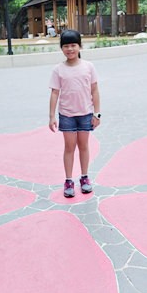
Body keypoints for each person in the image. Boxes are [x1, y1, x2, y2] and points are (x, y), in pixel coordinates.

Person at [48, 29, 101, 198]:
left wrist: (97, 114)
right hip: (67, 115)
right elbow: (55, 92)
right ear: (61, 48)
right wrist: (51, 116)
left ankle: (84, 178)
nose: (70, 49)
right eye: (66, 46)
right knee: (69, 147)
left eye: (73, 45)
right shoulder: (58, 69)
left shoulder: (88, 67)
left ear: (80, 46)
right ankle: (68, 180)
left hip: (86, 113)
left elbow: (94, 90)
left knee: (84, 146)